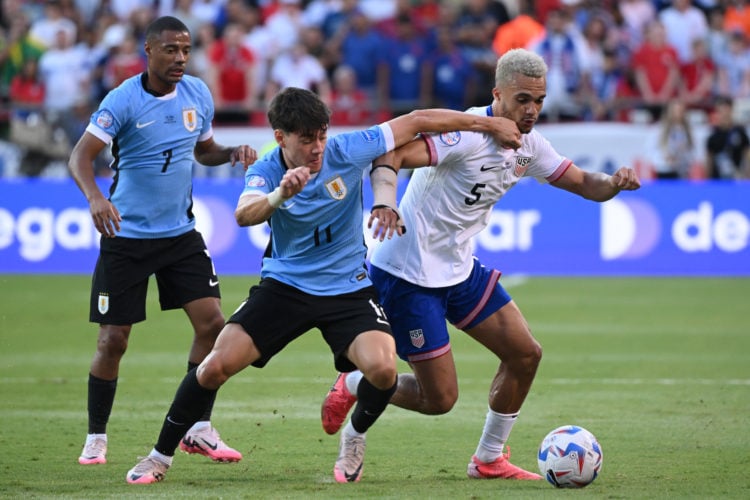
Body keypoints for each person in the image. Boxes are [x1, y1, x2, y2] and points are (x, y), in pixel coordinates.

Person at [124, 86, 523, 485]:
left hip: (347, 289)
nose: (317, 148)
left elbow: (416, 121)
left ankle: (354, 436)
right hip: (285, 287)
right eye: (306, 139)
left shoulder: (345, 150)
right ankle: (159, 457)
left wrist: (486, 123)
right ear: (280, 138)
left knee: (383, 369)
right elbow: (245, 213)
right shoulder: (266, 170)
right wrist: (282, 193)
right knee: (214, 367)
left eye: (322, 135)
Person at [320, 48, 641, 480]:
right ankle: (354, 386)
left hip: (459, 271)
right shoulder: (464, 136)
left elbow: (585, 183)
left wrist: (614, 184)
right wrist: (386, 201)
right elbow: (392, 153)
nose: (532, 110)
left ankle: (488, 459)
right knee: (440, 400)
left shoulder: (530, 146)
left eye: (539, 101)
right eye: (523, 100)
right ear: (498, 95)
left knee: (525, 354)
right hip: (407, 275)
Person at [68, 16, 257, 467]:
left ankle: (198, 427)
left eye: (186, 50)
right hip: (126, 235)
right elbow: (80, 155)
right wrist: (96, 197)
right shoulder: (123, 100)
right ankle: (97, 436)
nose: (180, 59)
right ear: (148, 51)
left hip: (180, 234)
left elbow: (202, 150)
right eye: (171, 49)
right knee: (113, 340)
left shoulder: (197, 94)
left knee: (213, 326)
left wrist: (230, 153)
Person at [705, 95, 750, 179]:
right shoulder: (713, 136)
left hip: (735, 179)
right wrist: (707, 182)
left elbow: (747, 155)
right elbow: (709, 161)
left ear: (731, 110)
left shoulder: (740, 132)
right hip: (717, 182)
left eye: (726, 110)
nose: (724, 114)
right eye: (721, 111)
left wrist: (747, 177)